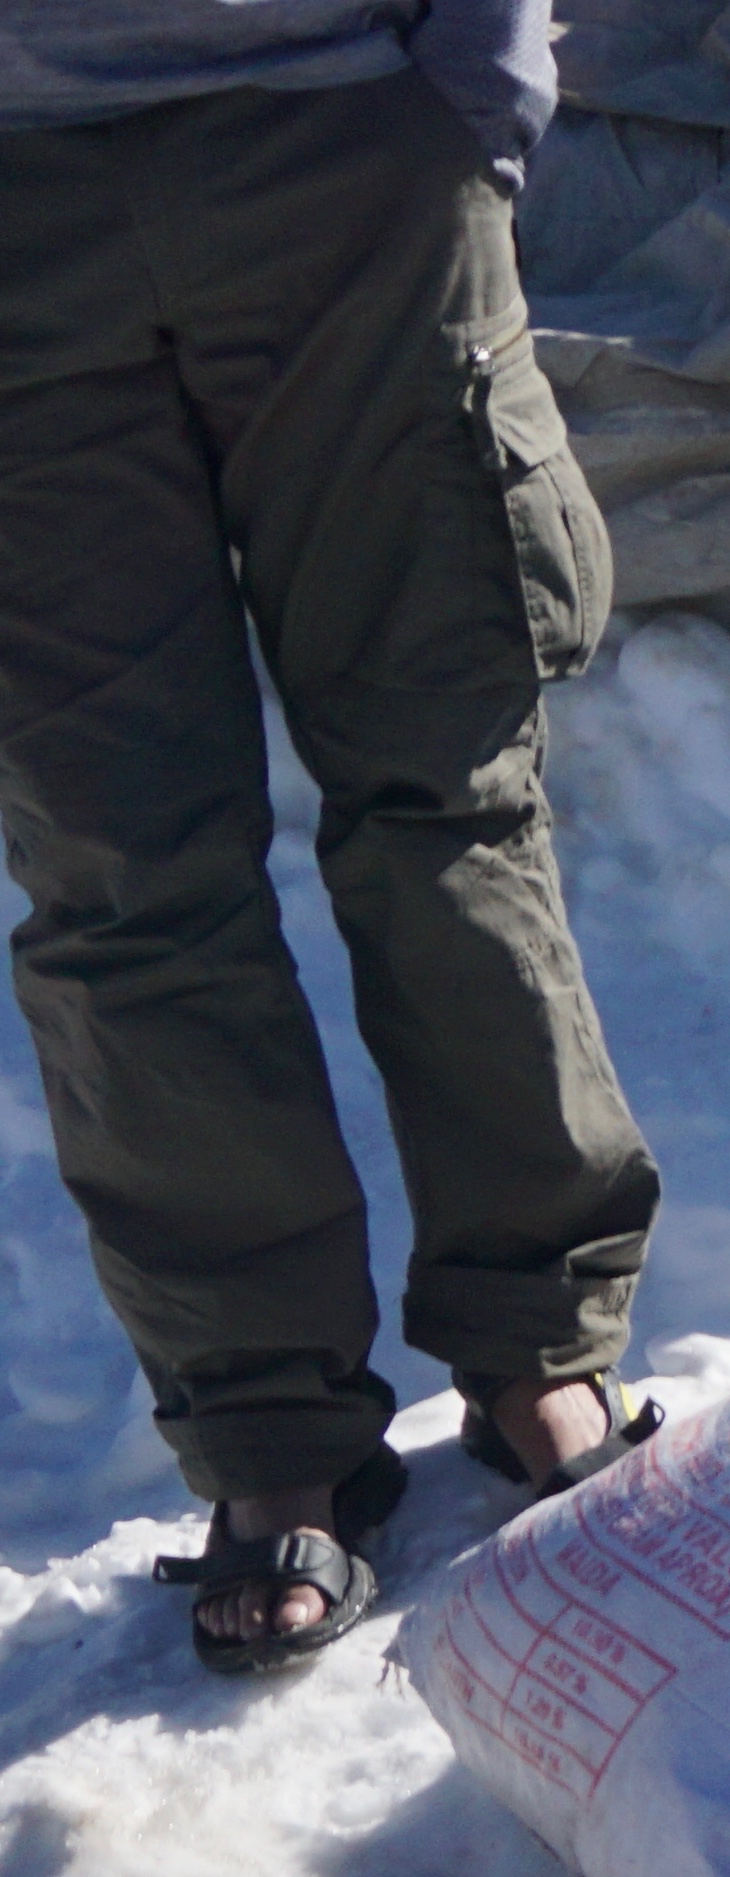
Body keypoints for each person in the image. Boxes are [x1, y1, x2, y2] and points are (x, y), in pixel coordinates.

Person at [0, 0, 662, 1675]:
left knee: (444, 790)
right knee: (116, 872)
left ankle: (537, 1337)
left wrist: (469, 109)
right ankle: (271, 1434)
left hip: (349, 139)